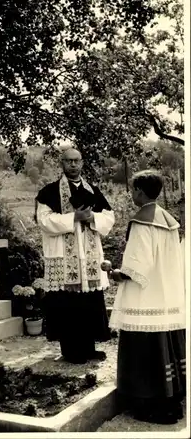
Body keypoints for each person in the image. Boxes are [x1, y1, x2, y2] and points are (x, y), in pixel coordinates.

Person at [109, 170, 186, 424]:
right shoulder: (170, 221)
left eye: (133, 190)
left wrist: (115, 273)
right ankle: (172, 401)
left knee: (144, 350)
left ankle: (148, 404)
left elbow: (136, 268)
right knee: (167, 347)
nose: (132, 195)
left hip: (145, 299)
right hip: (167, 296)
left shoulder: (142, 221)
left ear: (140, 192)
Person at [35, 148, 115, 363]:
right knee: (67, 304)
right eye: (68, 161)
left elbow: (109, 217)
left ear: (82, 162)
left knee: (88, 302)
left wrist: (92, 218)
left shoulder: (94, 191)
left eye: (76, 161)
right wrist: (73, 217)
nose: (72, 165)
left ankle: (89, 348)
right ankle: (71, 351)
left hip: (87, 257)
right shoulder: (49, 191)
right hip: (64, 255)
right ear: (62, 163)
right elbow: (43, 220)